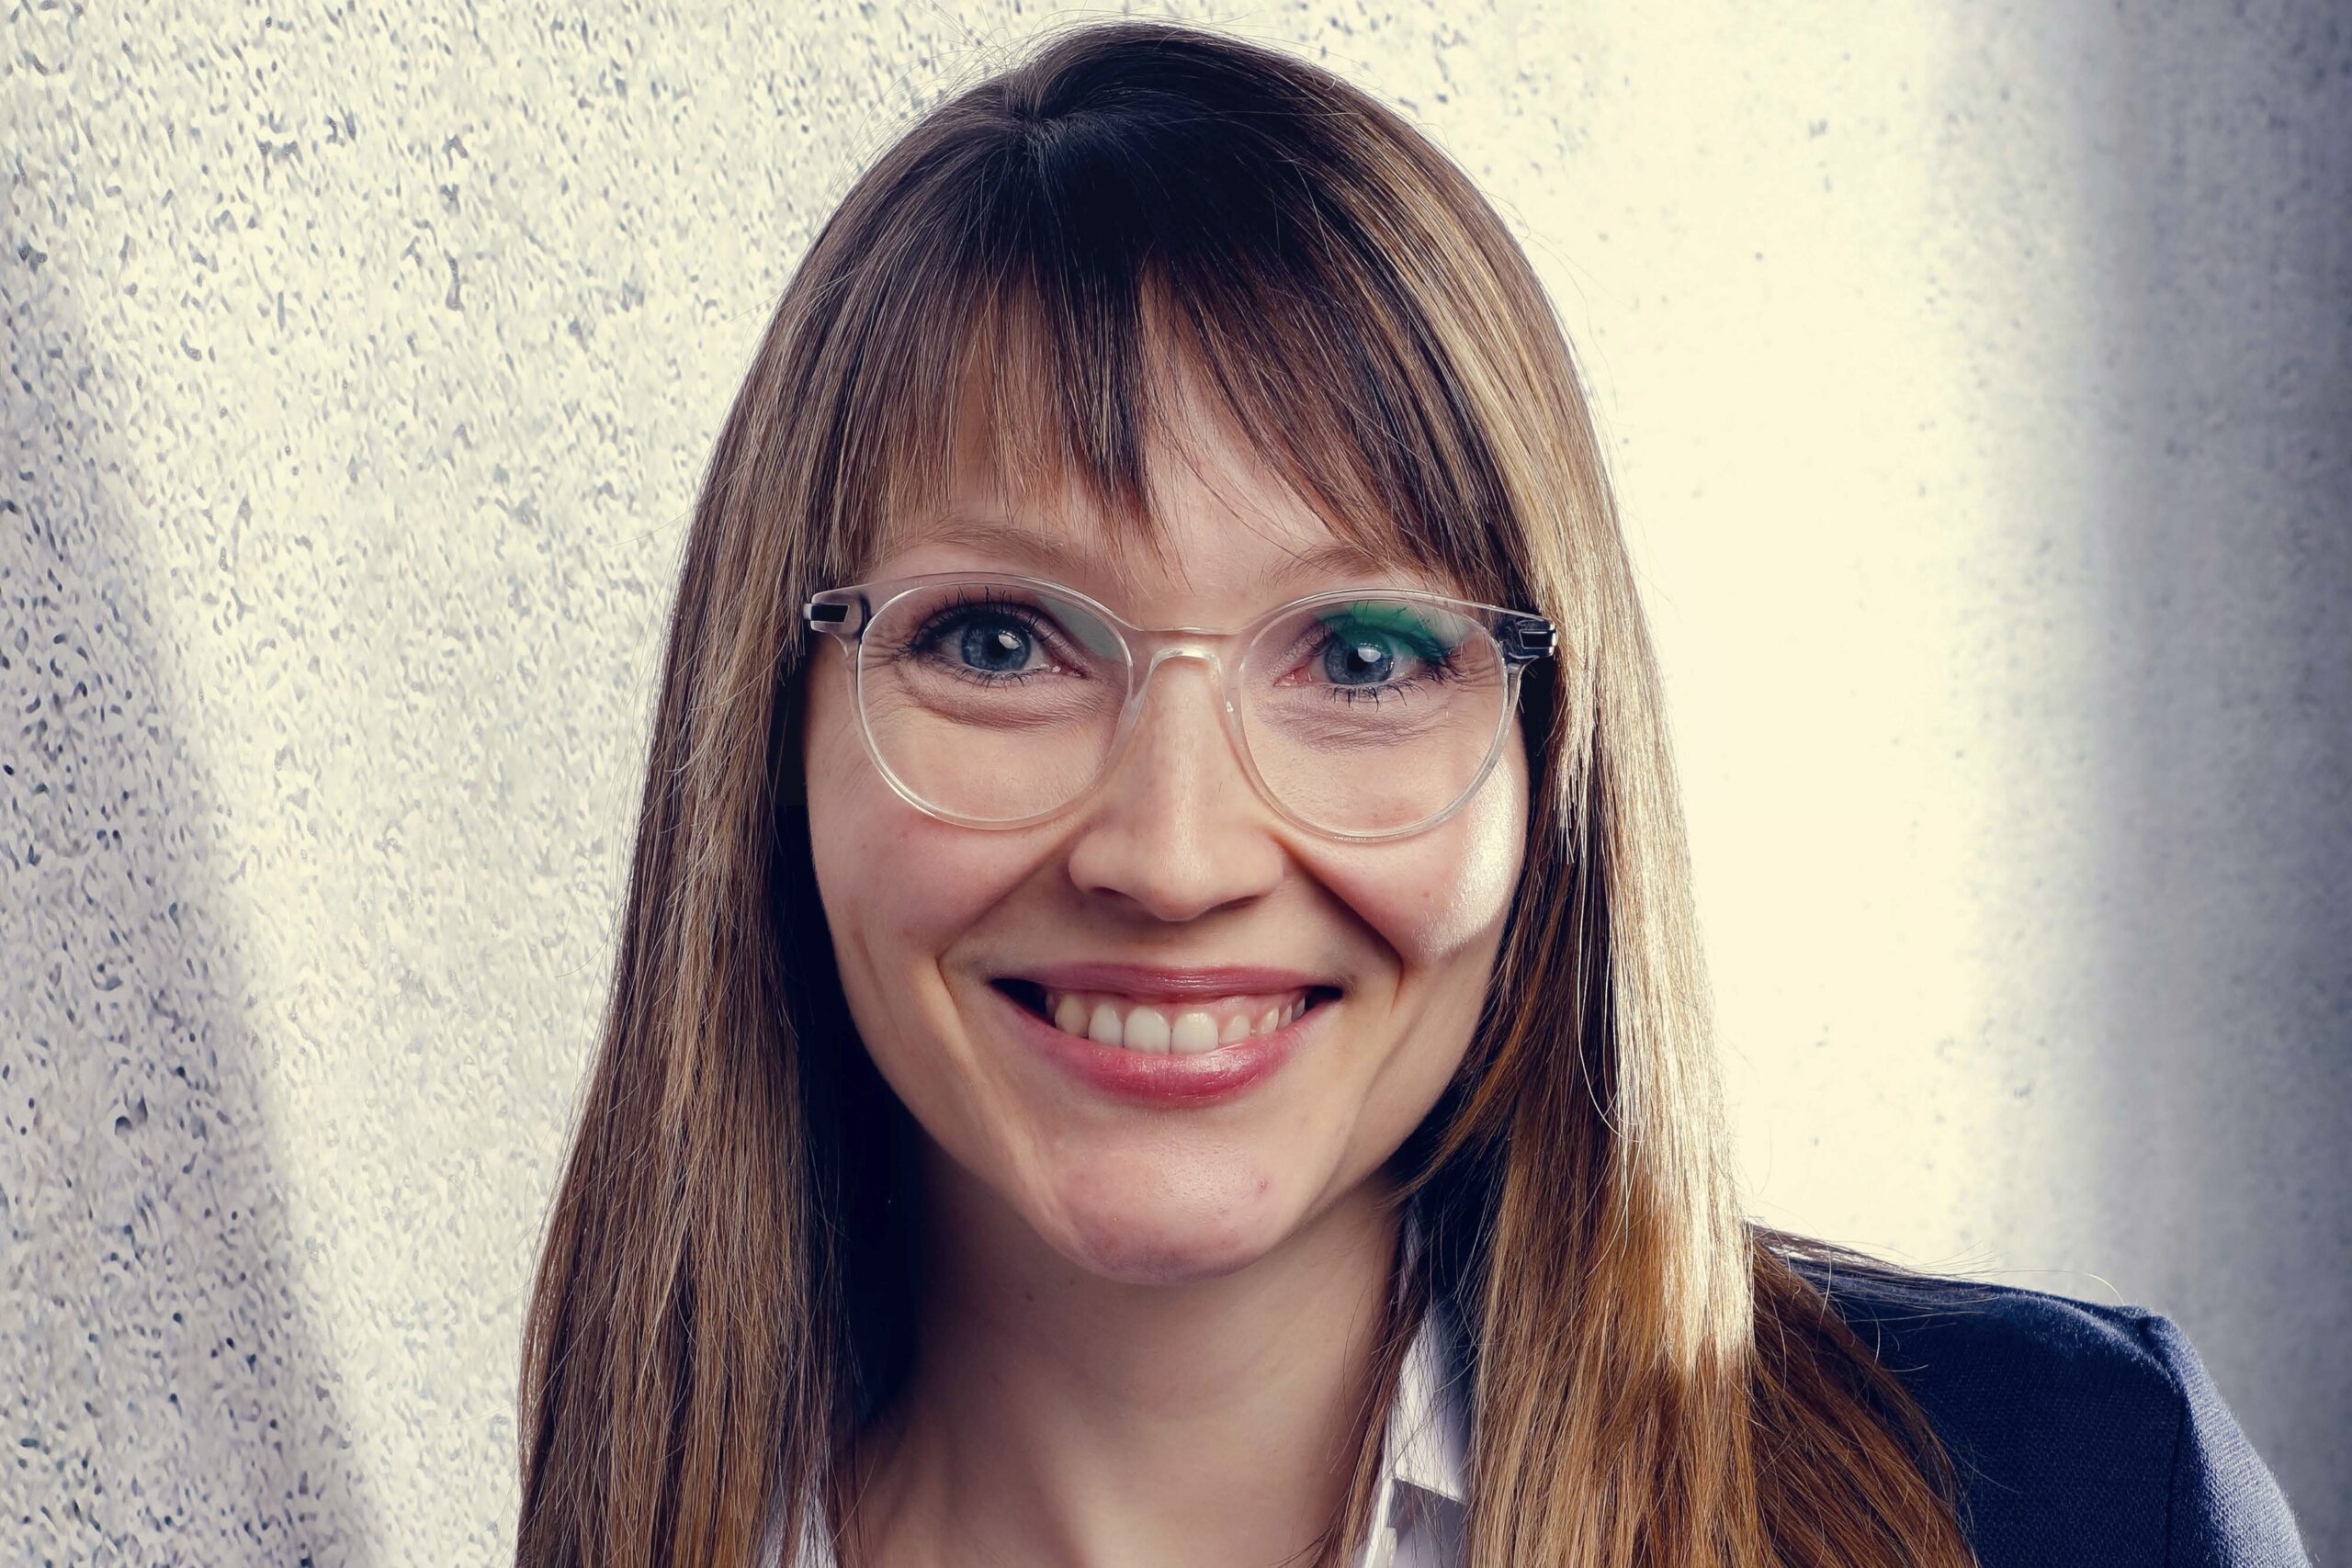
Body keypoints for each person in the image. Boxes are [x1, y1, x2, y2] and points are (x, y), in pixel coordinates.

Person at [513, 19, 2311, 1568]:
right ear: (773, 734)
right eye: (996, 641)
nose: (1172, 853)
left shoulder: (2086, 1495)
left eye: (1363, 657)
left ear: (1552, 768)